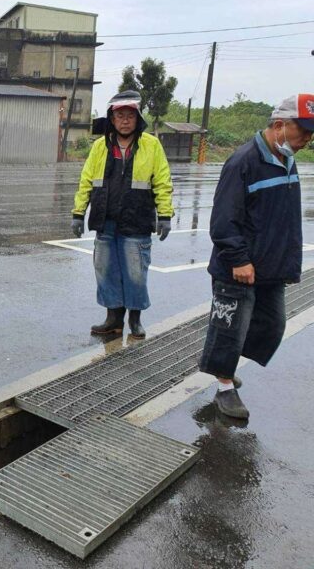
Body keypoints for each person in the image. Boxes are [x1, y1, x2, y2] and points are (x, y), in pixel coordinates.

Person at [199, 93, 314, 419]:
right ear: (279, 125)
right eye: (302, 131)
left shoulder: (286, 159)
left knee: (272, 326)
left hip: (270, 268)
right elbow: (223, 220)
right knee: (229, 328)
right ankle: (224, 385)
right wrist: (238, 259)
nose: (307, 139)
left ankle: (222, 360)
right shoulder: (243, 162)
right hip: (237, 269)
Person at [71, 90, 174, 338]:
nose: (125, 120)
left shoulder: (151, 145)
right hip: (105, 222)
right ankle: (113, 320)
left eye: (130, 115)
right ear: (112, 119)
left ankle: (135, 320)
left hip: (136, 221)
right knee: (106, 272)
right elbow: (86, 181)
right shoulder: (99, 147)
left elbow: (162, 181)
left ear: (138, 118)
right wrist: (78, 212)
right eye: (120, 116)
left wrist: (165, 215)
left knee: (136, 274)